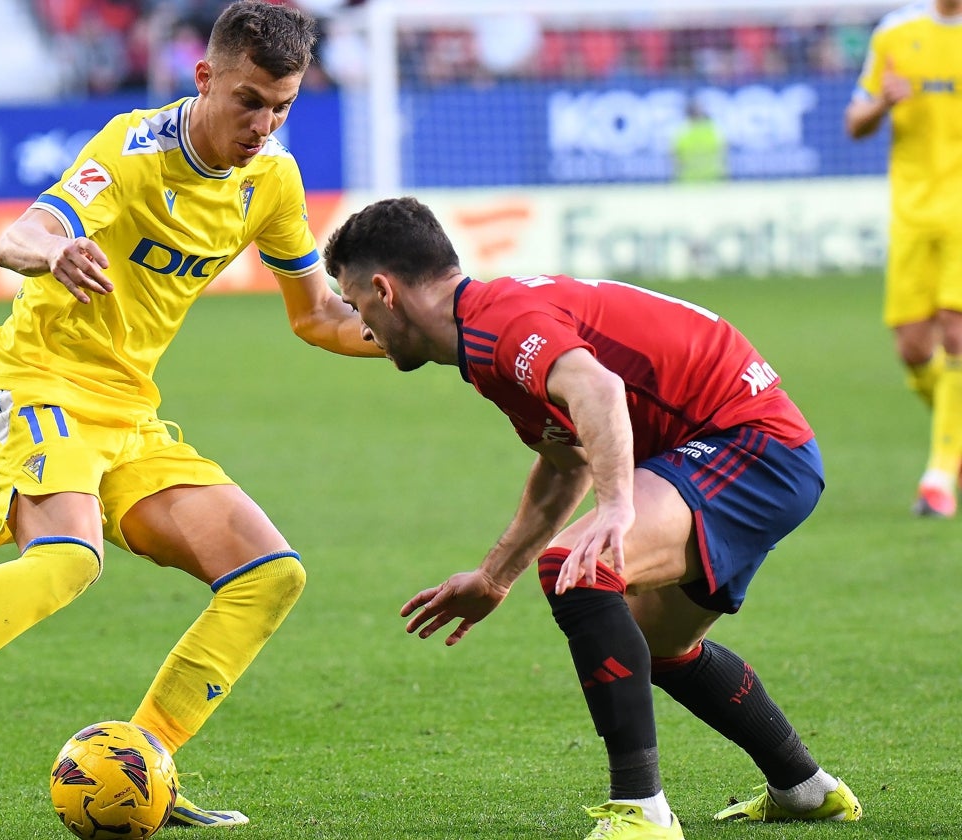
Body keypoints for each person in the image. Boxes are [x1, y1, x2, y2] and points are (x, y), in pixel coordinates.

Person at [0, 2, 379, 834]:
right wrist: (57, 250)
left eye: (282, 106)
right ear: (205, 77)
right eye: (250, 100)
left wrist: (426, 339)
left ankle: (143, 763)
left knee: (269, 575)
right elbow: (19, 234)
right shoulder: (131, 150)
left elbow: (318, 317)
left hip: (127, 412)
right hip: (37, 384)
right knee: (70, 558)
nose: (264, 124)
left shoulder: (273, 182)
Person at [322, 197, 862, 840]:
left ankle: (642, 810)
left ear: (384, 290)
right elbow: (565, 463)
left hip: (751, 444)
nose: (361, 329)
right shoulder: (487, 334)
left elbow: (597, 389)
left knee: (580, 570)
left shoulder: (504, 323)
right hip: (742, 449)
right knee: (659, 645)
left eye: (357, 307)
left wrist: (617, 507)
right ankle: (805, 789)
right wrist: (495, 577)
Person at [845, 0, 962, 517]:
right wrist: (882, 105)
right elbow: (855, 121)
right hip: (913, 214)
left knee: (956, 331)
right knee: (914, 350)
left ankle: (938, 477)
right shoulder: (895, 32)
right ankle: (954, 440)